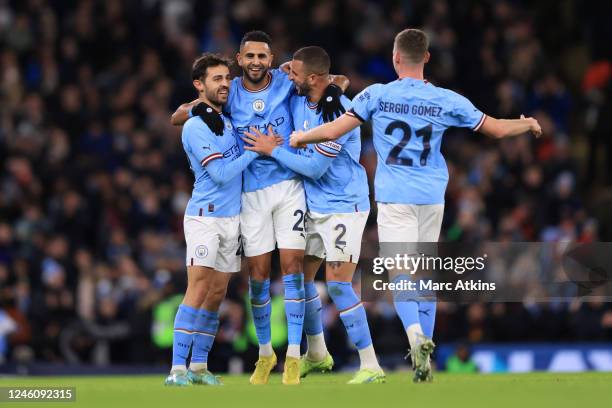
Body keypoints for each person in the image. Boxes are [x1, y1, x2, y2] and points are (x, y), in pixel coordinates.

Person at [289, 28, 542, 382]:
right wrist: (525, 123)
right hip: (431, 198)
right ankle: (424, 359)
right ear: (426, 58)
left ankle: (415, 337)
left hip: (396, 198)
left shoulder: (376, 94)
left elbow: (333, 130)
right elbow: (496, 130)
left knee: (401, 274)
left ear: (395, 58)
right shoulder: (446, 99)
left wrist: (302, 137)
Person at [171, 31, 349, 385]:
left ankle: (295, 356)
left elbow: (337, 78)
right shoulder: (228, 90)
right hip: (250, 194)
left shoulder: (286, 79)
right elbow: (179, 115)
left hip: (288, 186)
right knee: (257, 275)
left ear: (272, 59)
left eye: (262, 56)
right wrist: (199, 106)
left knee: (294, 268)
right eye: (249, 56)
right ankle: (265, 354)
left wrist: (333, 91)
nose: (256, 62)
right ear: (240, 60)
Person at [244, 46, 385, 384]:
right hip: (314, 204)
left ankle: (370, 365)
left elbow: (315, 167)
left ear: (312, 78)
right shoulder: (299, 96)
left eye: (293, 72)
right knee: (300, 282)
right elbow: (290, 71)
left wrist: (273, 149)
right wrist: (309, 71)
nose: (286, 76)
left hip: (344, 206)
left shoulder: (338, 112)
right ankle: (318, 353)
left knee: (337, 285)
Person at [165, 53, 258, 386]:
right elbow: (219, 173)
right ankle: (177, 369)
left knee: (217, 294)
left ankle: (200, 367)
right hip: (206, 217)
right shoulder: (195, 125)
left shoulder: (226, 118)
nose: (225, 84)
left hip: (231, 219)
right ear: (199, 84)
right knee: (198, 287)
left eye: (227, 78)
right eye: (217, 79)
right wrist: (256, 151)